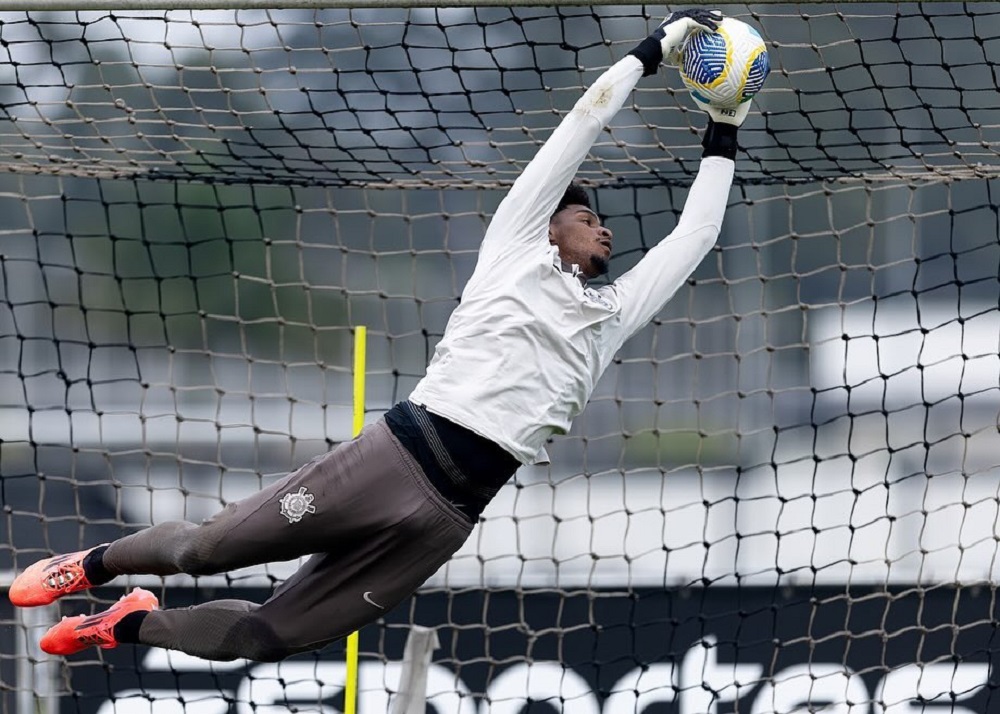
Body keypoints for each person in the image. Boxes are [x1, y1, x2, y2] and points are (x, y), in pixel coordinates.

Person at [9, 8, 751, 662]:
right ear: (551, 223)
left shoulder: (611, 316)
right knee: (208, 551)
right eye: (589, 217)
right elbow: (580, 126)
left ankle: (126, 626)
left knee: (268, 639)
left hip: (446, 518)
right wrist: (648, 54)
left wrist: (726, 122)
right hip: (392, 459)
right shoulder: (513, 250)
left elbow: (698, 231)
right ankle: (97, 564)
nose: (605, 228)